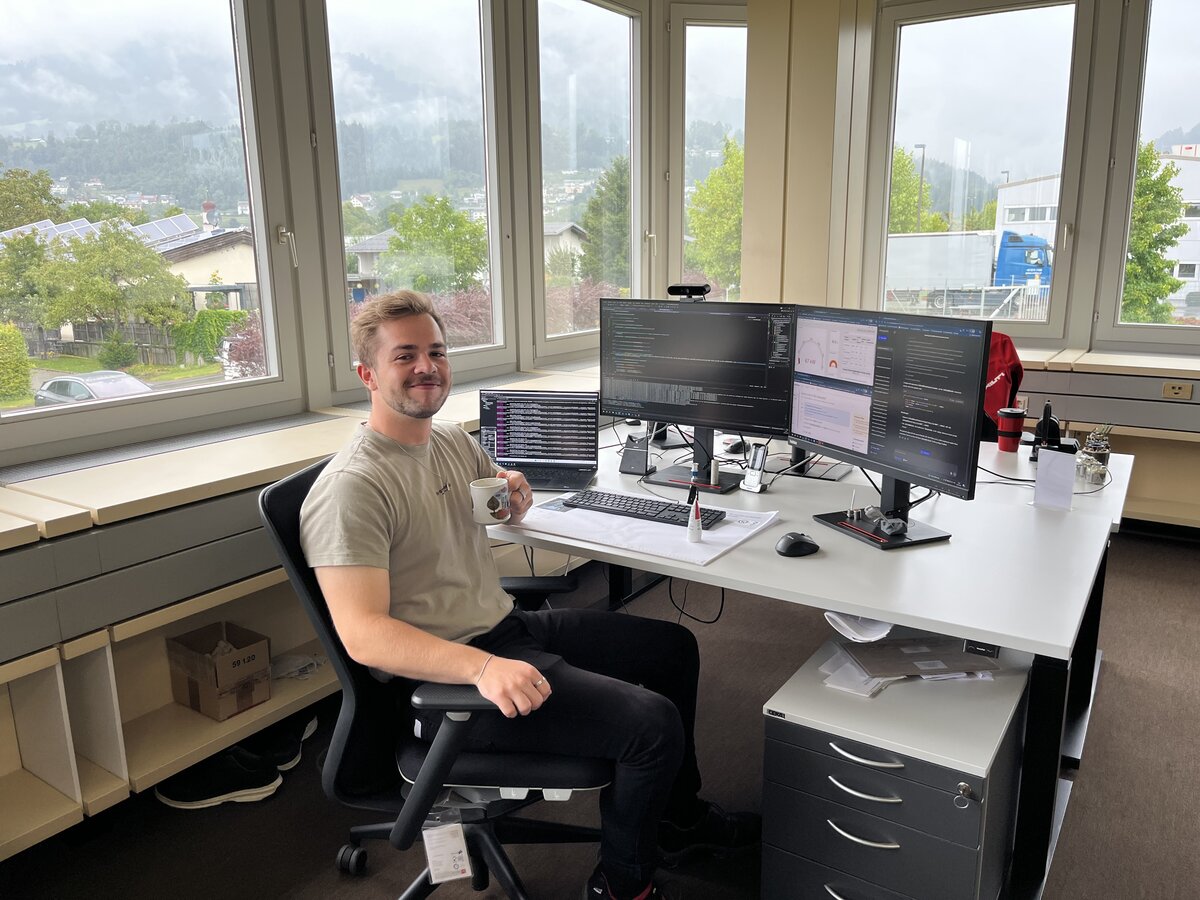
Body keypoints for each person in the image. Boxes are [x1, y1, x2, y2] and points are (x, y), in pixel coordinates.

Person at [300, 290, 758, 899]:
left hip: (502, 629)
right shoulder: (353, 488)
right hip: (449, 682)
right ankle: (624, 885)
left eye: (435, 351)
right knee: (651, 725)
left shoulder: (446, 441)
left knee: (671, 648)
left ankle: (674, 821)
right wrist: (484, 668)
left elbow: (490, 503)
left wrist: (513, 493)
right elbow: (364, 636)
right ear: (367, 374)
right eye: (404, 356)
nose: (426, 367)